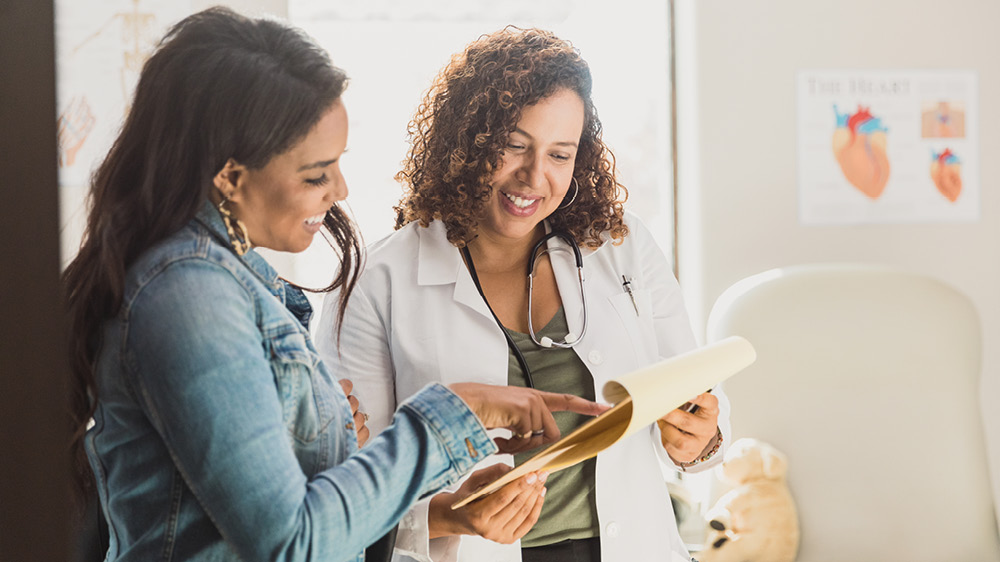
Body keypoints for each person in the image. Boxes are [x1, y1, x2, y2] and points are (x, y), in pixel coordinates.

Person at [62, 10, 607, 562]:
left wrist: (443, 512)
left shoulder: (234, 282)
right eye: (316, 174)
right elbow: (291, 543)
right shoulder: (189, 300)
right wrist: (453, 411)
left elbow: (303, 510)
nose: (339, 189)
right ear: (230, 177)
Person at [316, 27, 731, 562]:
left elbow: (692, 399)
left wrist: (699, 439)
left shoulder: (619, 244)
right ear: (467, 143)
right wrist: (447, 514)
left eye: (560, 155)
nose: (535, 177)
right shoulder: (377, 280)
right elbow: (344, 492)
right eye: (514, 146)